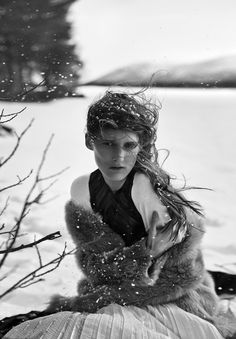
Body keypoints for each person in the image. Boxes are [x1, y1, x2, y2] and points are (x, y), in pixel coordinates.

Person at [4, 90, 226, 339]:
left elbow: (175, 275)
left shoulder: (145, 188)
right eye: (108, 143)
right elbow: (95, 267)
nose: (118, 156)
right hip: (110, 293)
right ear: (90, 141)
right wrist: (143, 254)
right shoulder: (83, 189)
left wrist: (137, 260)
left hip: (174, 298)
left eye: (128, 145)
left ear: (141, 145)